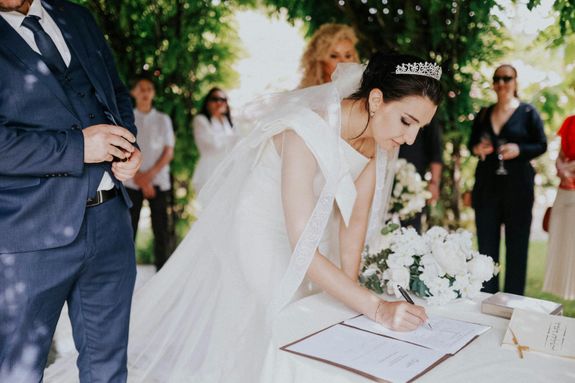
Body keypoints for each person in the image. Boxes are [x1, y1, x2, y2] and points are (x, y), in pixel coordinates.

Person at [46, 53, 442, 382]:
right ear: (375, 100)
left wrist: (354, 290)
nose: (410, 139)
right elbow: (301, 244)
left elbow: (354, 224)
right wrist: (375, 307)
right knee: (273, 318)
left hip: (307, 234)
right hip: (262, 229)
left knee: (321, 310)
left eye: (420, 128)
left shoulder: (379, 142)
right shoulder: (308, 129)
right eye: (407, 121)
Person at [0, 0, 142, 382]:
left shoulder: (76, 16)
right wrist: (80, 148)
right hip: (27, 235)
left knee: (108, 368)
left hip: (110, 220)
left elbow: (114, 93)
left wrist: (127, 145)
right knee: (17, 371)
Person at [469, 64, 547, 295]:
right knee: (486, 248)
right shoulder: (484, 113)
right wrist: (478, 148)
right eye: (497, 79)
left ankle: (513, 302)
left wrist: (519, 149)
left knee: (517, 247)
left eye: (507, 78)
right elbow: (470, 144)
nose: (502, 83)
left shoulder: (528, 113)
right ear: (493, 84)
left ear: (515, 82)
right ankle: (486, 298)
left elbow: (542, 144)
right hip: (487, 188)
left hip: (519, 189)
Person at [124, 77, 175, 271]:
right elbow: (124, 148)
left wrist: (148, 177)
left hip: (158, 181)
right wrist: (139, 177)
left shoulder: (163, 119)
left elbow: (168, 151)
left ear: (153, 93)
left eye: (149, 89)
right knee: (129, 230)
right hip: (131, 182)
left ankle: (163, 273)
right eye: (141, 89)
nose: (145, 92)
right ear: (133, 93)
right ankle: (127, 272)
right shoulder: (127, 118)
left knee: (161, 231)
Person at [543, 115, 575, 300]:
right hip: (564, 190)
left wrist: (569, 168)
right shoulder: (570, 122)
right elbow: (561, 154)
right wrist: (561, 167)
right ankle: (564, 290)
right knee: (562, 238)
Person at [399, 117, 443, 232]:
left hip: (414, 187)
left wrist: (434, 183)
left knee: (410, 232)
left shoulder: (428, 112)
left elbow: (436, 153)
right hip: (383, 179)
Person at [191, 87, 238, 193]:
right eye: (215, 99)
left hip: (228, 172)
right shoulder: (200, 120)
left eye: (223, 100)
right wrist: (235, 137)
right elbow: (213, 144)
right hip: (209, 171)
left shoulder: (228, 122)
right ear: (208, 102)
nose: (219, 102)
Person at [299, 23, 359, 88]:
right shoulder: (303, 95)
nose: (343, 62)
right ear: (319, 60)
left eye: (348, 56)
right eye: (334, 56)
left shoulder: (364, 94)